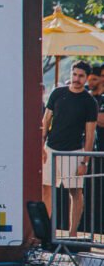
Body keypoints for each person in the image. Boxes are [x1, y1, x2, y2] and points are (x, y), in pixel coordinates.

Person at [42, 61, 98, 238]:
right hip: (50, 148)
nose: (76, 79)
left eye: (81, 76)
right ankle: (44, 233)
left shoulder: (89, 102)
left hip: (74, 151)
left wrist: (84, 161)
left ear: (87, 78)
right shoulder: (58, 93)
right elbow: (45, 122)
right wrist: (40, 146)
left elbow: (90, 135)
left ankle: (73, 232)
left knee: (75, 192)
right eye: (74, 74)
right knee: (46, 189)